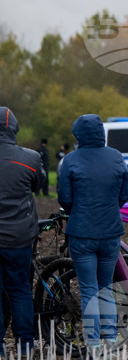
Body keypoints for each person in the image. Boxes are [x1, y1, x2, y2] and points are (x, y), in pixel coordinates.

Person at [57, 114, 128, 353]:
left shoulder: (70, 160)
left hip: (82, 233)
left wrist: (77, 211)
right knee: (106, 286)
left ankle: (93, 342)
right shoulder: (116, 156)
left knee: (89, 288)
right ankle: (110, 337)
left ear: (78, 135)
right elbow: (124, 194)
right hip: (111, 232)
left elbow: (65, 198)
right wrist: (110, 208)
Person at [0, 107, 45, 357]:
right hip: (18, 239)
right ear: (13, 129)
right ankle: (25, 347)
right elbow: (39, 184)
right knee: (19, 291)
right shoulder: (29, 158)